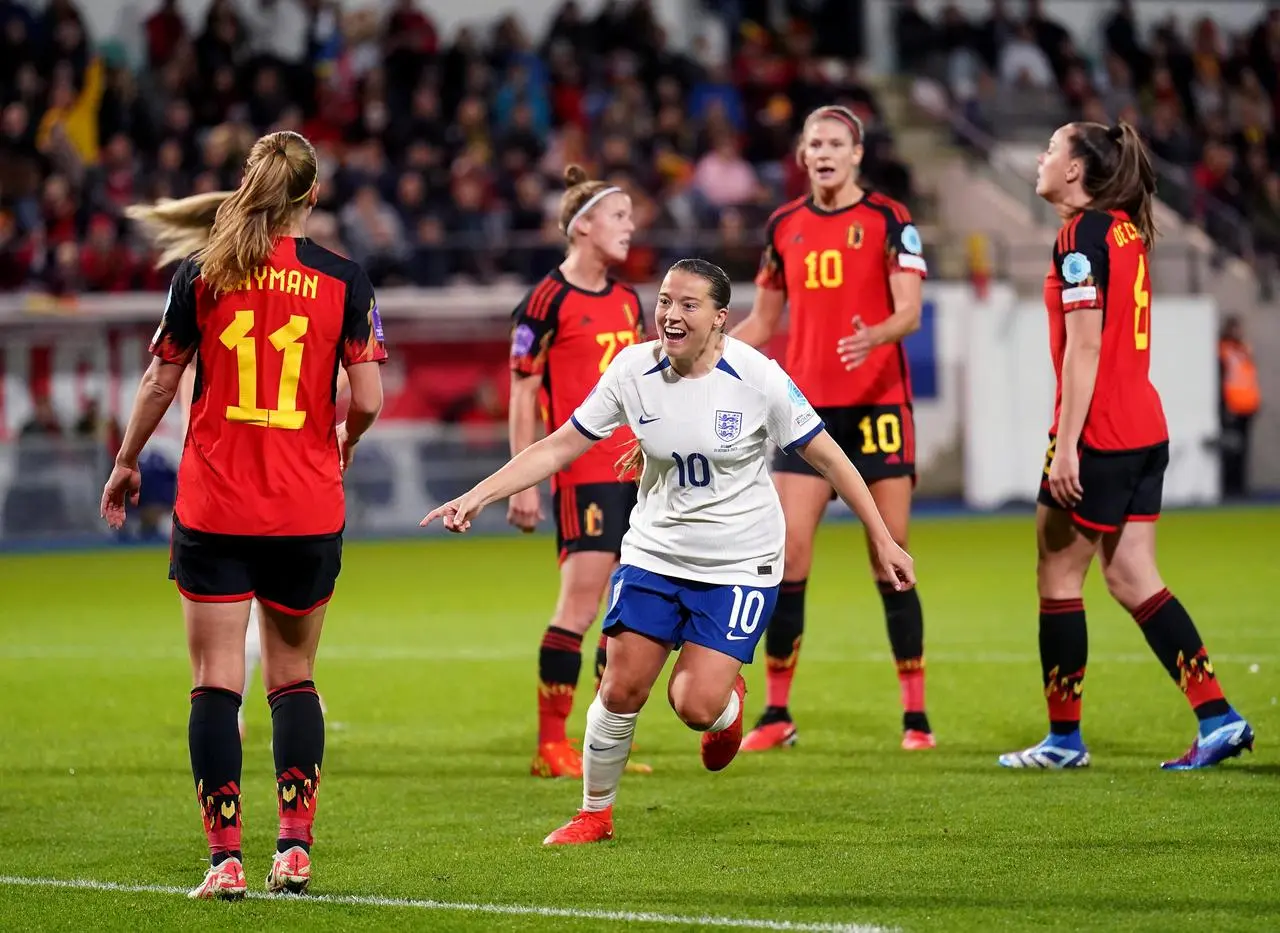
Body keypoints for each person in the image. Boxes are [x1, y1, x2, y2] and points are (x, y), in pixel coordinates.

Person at [422, 259, 915, 844]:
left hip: (739, 563)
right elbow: (558, 446)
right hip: (655, 554)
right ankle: (594, 814)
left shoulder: (758, 377)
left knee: (694, 705)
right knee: (620, 688)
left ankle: (726, 703)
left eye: (687, 305)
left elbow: (831, 458)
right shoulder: (632, 368)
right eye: (663, 301)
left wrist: (882, 537)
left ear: (719, 318)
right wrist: (477, 495)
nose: (670, 315)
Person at [104, 130, 387, 898]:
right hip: (305, 507)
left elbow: (162, 382)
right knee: (294, 676)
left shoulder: (202, 273)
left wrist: (127, 461)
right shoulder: (345, 278)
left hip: (214, 505)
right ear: (314, 195)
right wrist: (343, 439)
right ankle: (293, 847)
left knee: (214, 682)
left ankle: (224, 858)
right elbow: (368, 398)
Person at [999, 121, 1253, 770]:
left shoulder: (1081, 235)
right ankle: (1218, 716)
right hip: (1145, 421)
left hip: (1102, 431)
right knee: (1133, 575)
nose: (1042, 155)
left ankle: (1063, 740)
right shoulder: (1124, 230)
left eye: (1052, 147)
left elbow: (1086, 344)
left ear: (1078, 170)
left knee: (1057, 573)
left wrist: (1067, 447)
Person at [730, 105, 934, 752]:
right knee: (789, 556)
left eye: (835, 142)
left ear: (856, 153)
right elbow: (764, 321)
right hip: (804, 413)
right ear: (801, 154)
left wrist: (875, 333)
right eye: (813, 141)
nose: (823, 151)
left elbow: (911, 312)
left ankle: (915, 716)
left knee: (890, 556)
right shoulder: (782, 225)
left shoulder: (889, 219)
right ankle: (777, 712)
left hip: (878, 410)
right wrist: (711, 358)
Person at [507, 165, 650, 779]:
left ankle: (598, 743)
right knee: (581, 606)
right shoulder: (545, 300)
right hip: (582, 474)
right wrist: (526, 480)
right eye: (620, 217)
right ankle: (549, 746)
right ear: (583, 225)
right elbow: (522, 391)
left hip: (635, 478)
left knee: (625, 613)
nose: (631, 226)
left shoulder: (627, 299)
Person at [1217, 315, 1260, 500]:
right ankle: (1230, 488)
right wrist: (1224, 406)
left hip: (1247, 406)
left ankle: (1241, 487)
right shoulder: (1223, 350)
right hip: (1232, 407)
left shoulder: (1244, 350)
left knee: (1243, 451)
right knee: (1231, 449)